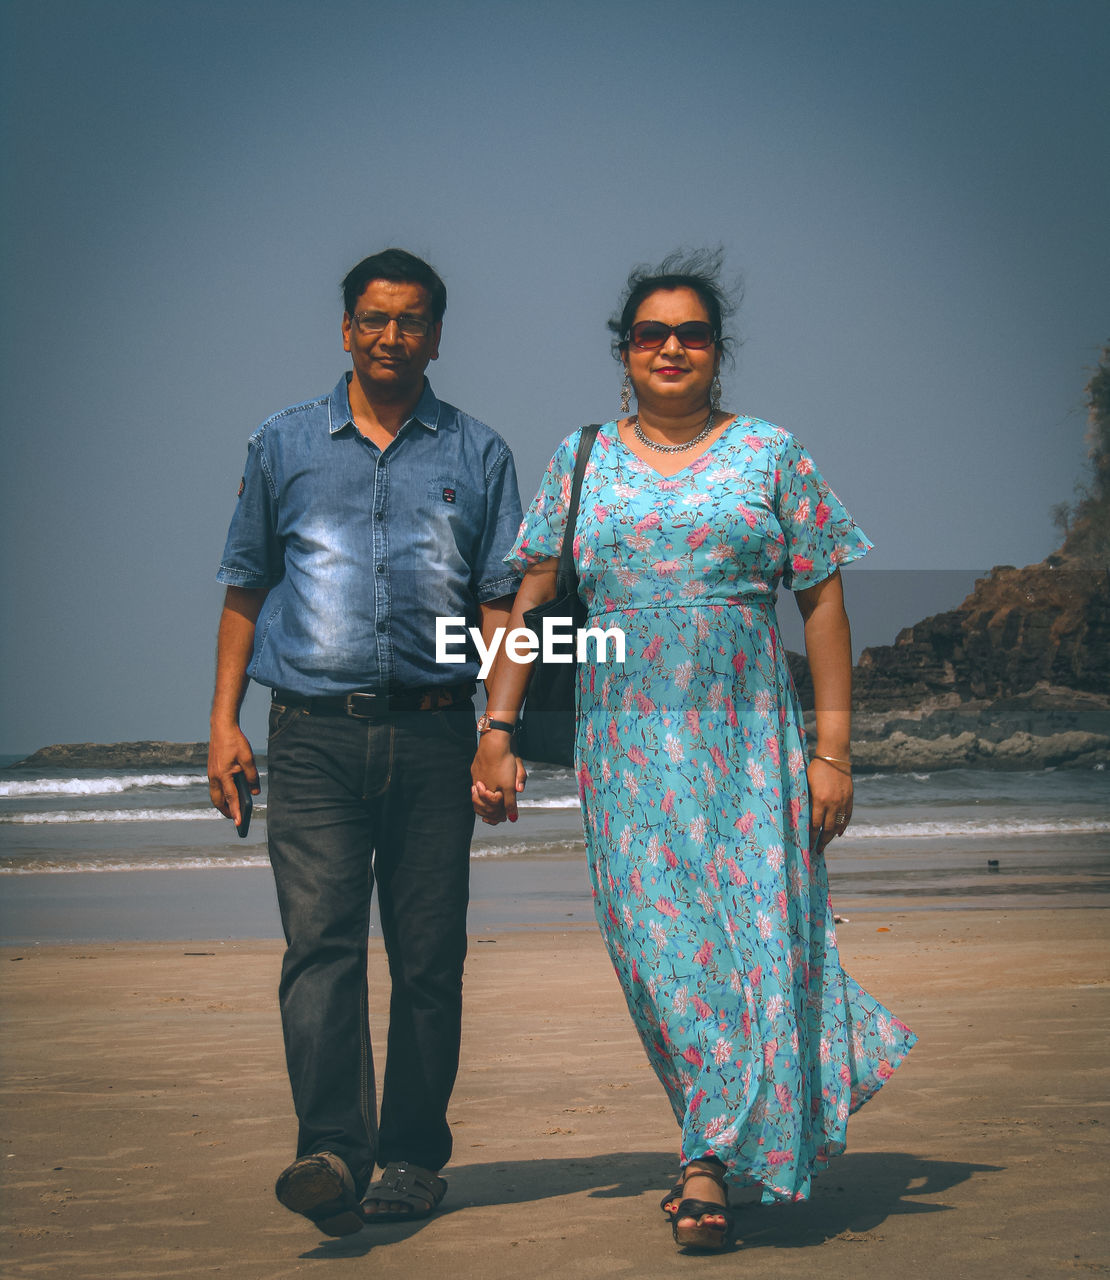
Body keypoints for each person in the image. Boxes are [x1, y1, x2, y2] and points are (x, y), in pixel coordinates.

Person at [472, 252, 915, 1252]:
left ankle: (706, 1157)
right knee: (656, 949)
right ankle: (723, 1126)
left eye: (692, 333)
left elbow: (824, 602)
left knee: (758, 941)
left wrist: (833, 752)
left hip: (749, 743)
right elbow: (534, 601)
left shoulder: (771, 452)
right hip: (623, 750)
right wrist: (495, 730)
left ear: (718, 351)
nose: (671, 347)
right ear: (624, 352)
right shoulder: (581, 458)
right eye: (650, 333)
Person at [207, 248, 522, 1235]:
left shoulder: (479, 454)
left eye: (413, 319)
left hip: (436, 736)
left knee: (429, 955)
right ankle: (333, 1148)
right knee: (322, 948)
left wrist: (498, 732)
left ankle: (413, 1158)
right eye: (375, 319)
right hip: (308, 737)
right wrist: (221, 722)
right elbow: (246, 584)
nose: (393, 336)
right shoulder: (283, 443)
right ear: (346, 327)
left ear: (438, 334)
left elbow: (502, 605)